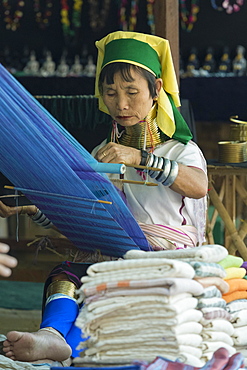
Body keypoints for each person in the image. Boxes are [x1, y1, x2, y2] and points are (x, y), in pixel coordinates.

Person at [2, 31, 208, 365]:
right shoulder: (103, 153)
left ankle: (70, 346)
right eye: (110, 92)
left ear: (156, 90)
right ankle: (52, 336)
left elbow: (198, 186)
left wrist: (139, 158)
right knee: (65, 274)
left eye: (131, 91)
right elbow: (87, 212)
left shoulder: (181, 150)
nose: (121, 103)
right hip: (116, 252)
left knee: (108, 284)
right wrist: (30, 209)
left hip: (167, 259)